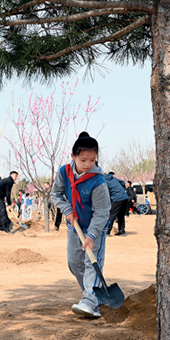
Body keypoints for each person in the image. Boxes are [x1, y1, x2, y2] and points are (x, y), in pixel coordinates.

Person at [52, 132, 111, 319]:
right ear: (73, 156)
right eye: (83, 160)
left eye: (92, 160)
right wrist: (67, 210)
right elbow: (56, 194)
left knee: (91, 263)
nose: (87, 165)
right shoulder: (64, 172)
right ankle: (92, 293)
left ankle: (90, 301)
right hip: (74, 225)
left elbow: (101, 212)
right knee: (74, 263)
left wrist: (92, 236)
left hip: (95, 228)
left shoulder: (98, 181)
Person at [105, 171, 129, 236]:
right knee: (121, 215)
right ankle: (122, 231)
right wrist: (122, 190)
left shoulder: (103, 181)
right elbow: (122, 182)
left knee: (111, 215)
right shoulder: (113, 178)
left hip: (117, 198)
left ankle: (107, 232)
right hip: (125, 197)